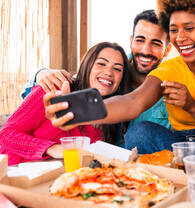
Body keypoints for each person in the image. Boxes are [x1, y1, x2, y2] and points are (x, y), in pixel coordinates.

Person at [45, 0, 195, 162]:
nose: (180, 38)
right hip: (179, 148)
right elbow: (132, 101)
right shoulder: (169, 70)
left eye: (189, 28)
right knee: (140, 132)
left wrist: (192, 106)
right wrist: (79, 111)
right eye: (174, 30)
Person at [21, 9, 172, 147]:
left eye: (156, 43)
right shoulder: (110, 73)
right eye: (140, 40)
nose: (146, 50)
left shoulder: (171, 84)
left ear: (167, 50)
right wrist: (40, 74)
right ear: (131, 40)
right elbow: (81, 82)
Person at [0, 42, 132, 165]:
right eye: (102, 64)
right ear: (87, 65)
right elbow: (6, 134)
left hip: (59, 183)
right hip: (12, 174)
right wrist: (52, 148)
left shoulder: (111, 119)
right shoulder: (54, 88)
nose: (109, 72)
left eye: (117, 69)